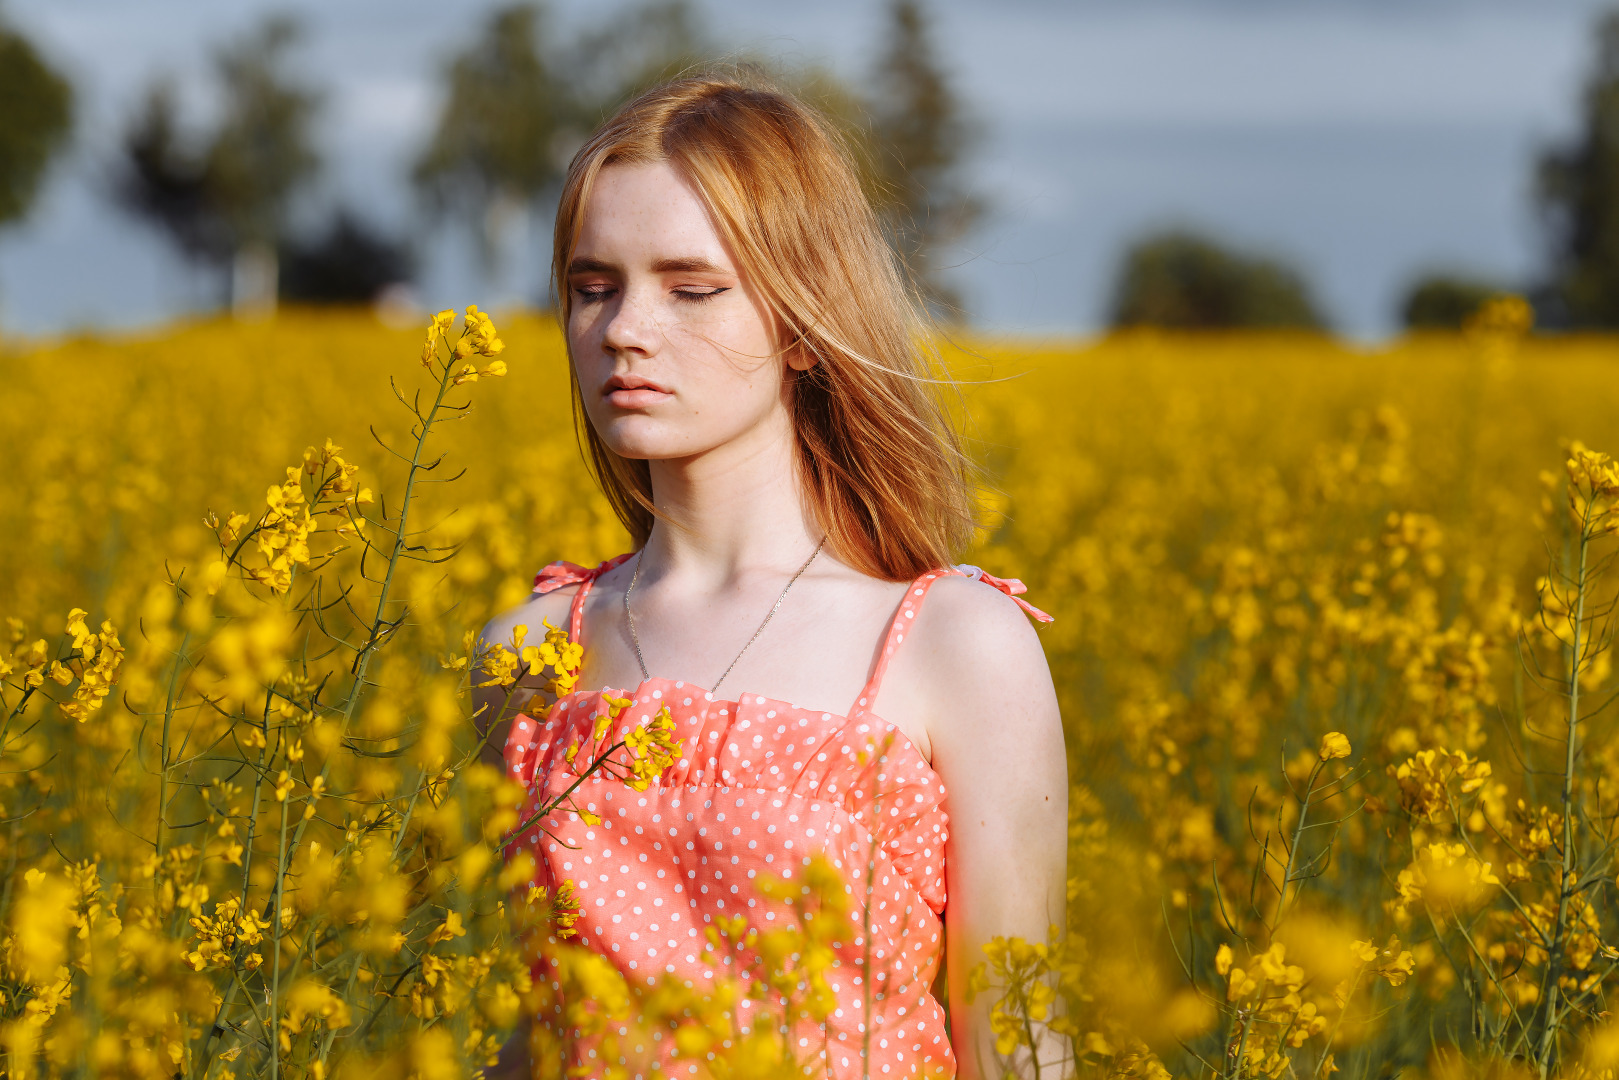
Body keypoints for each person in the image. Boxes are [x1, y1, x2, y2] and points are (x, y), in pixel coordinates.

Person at [475, 71, 1067, 1079]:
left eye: (690, 289)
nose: (624, 329)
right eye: (591, 286)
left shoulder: (953, 643)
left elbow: (1015, 1047)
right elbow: (525, 1035)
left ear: (799, 323)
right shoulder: (526, 652)